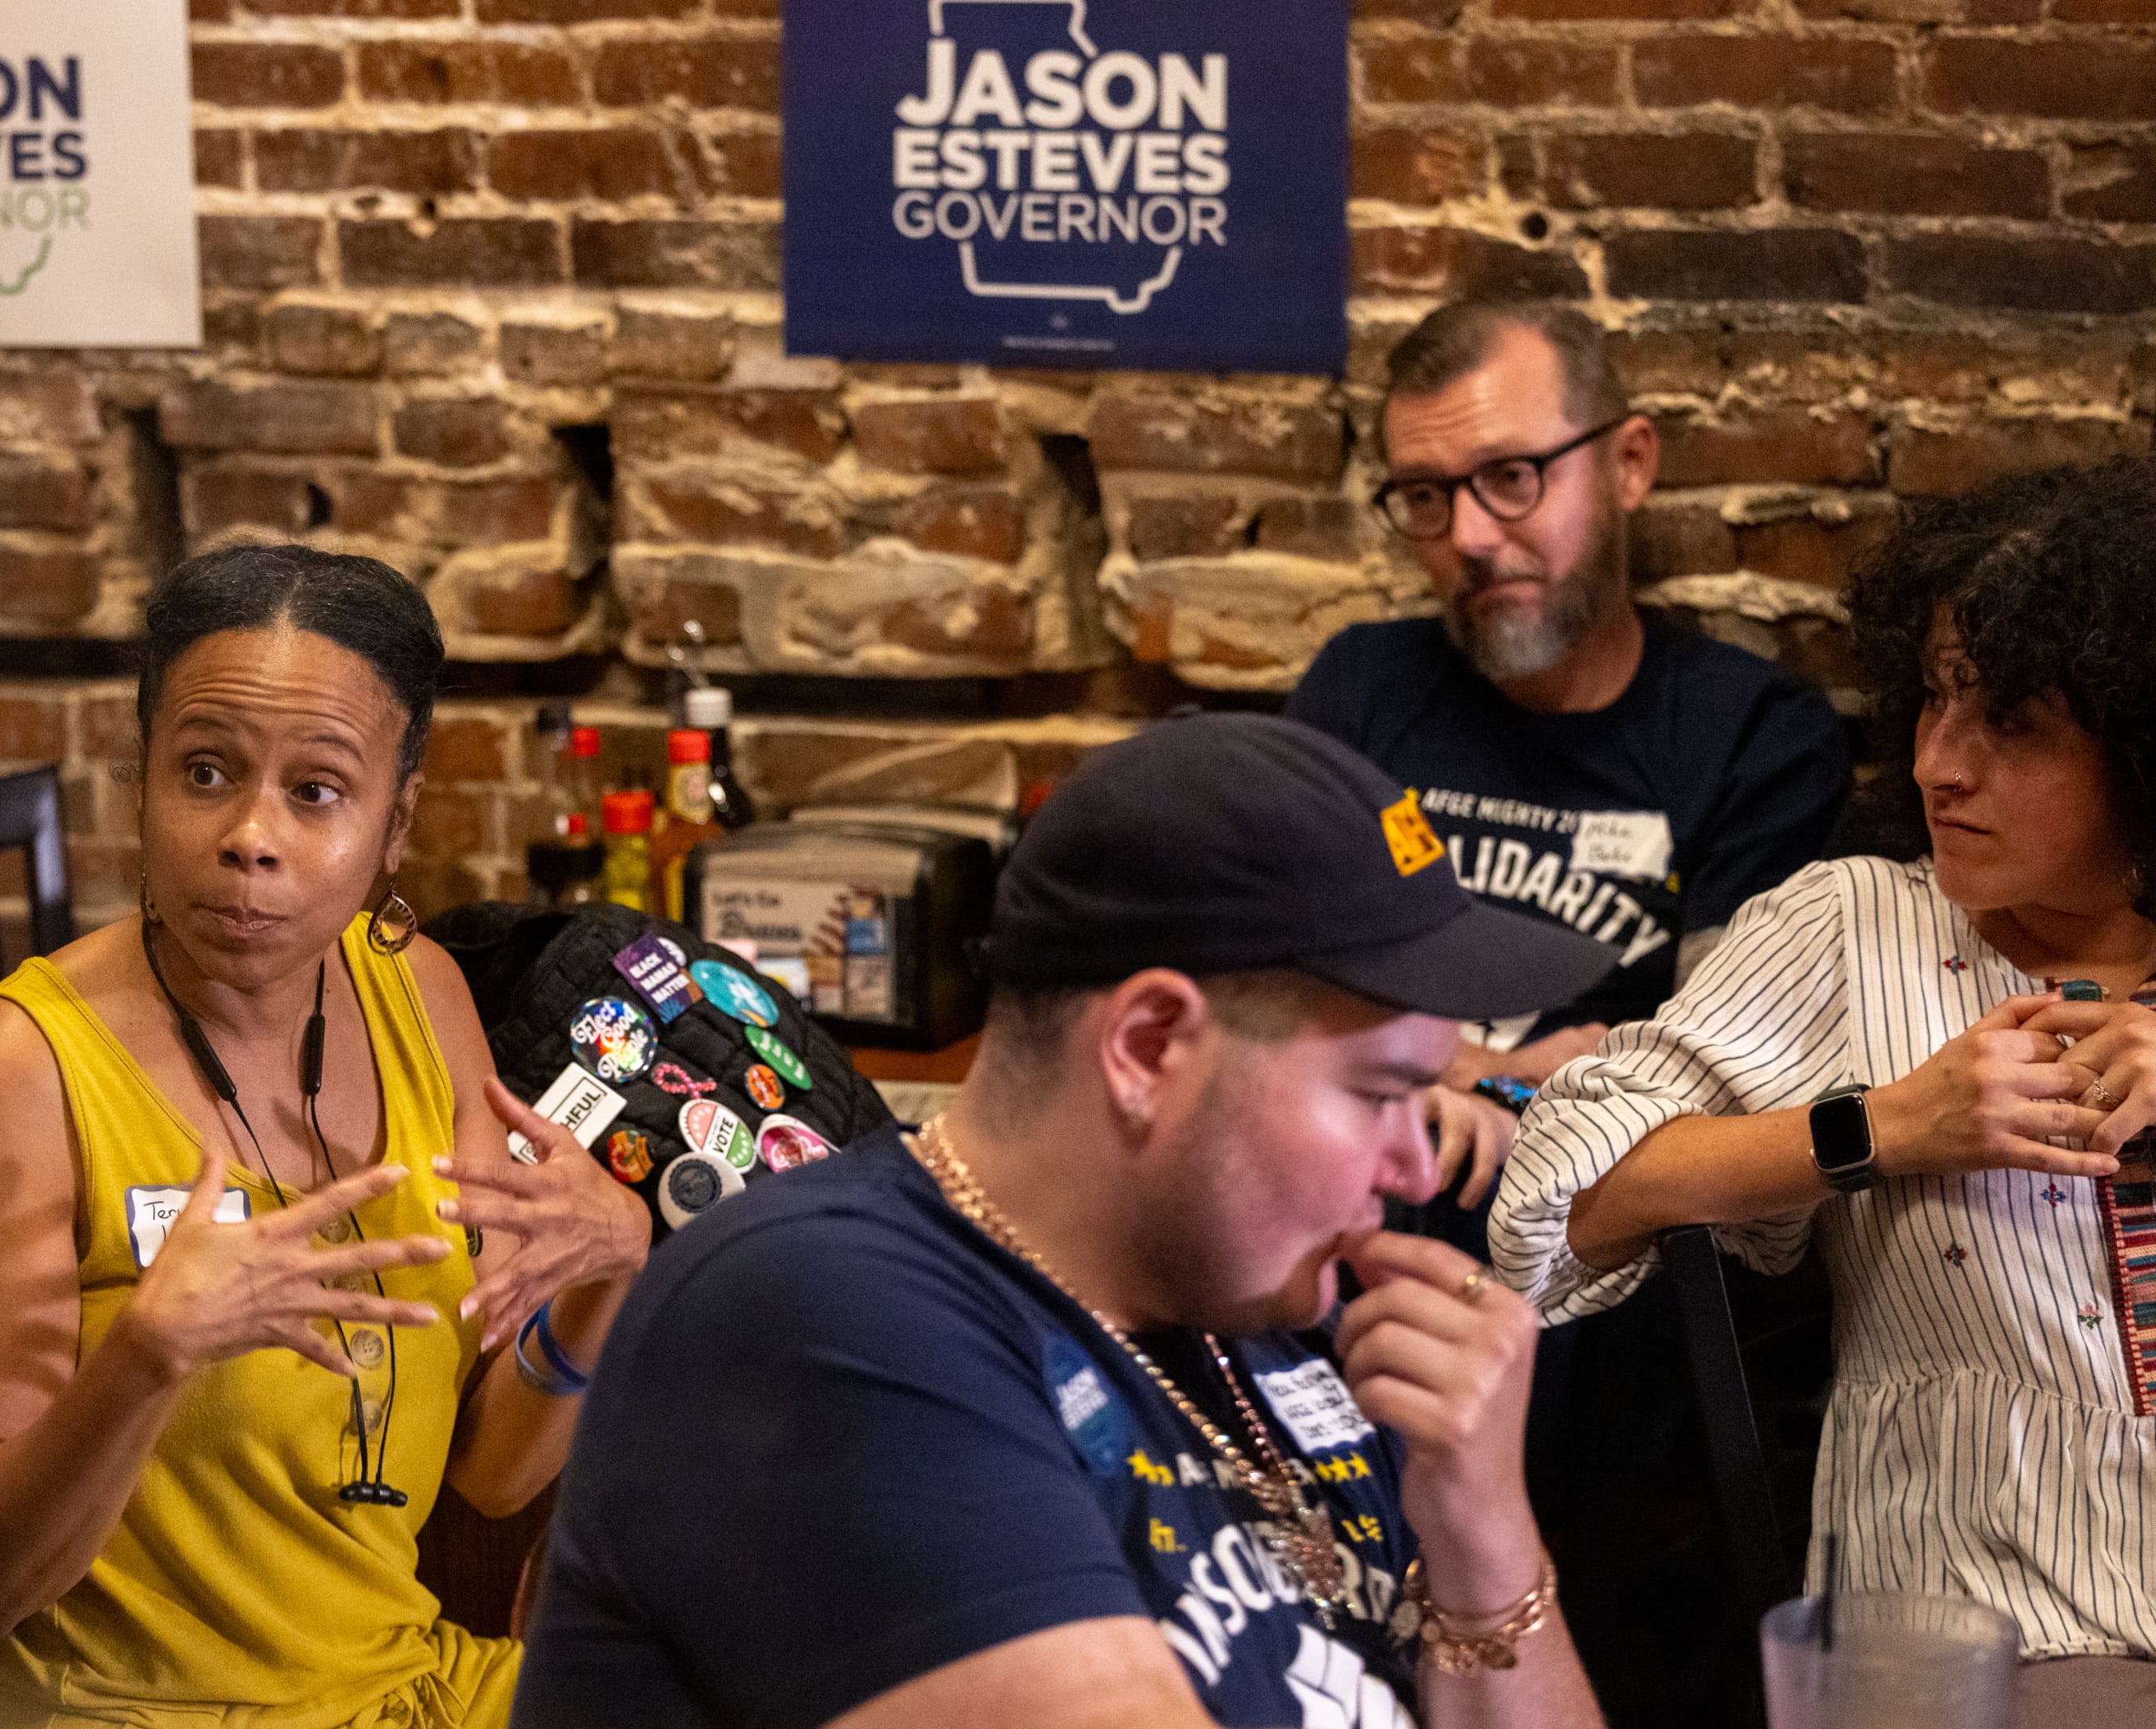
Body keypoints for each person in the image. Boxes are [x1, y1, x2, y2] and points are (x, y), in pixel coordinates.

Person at [516, 713, 1620, 1729]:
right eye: (1380, 1095)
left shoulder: (1274, 1299)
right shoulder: (817, 1312)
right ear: (1148, 1046)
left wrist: (1485, 1535)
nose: (1416, 1164)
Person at [0, 544, 650, 1729]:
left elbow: (495, 1475)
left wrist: (608, 1271)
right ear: (142, 784)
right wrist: (147, 1356)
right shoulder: (17, 1064)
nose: (251, 835)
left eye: (317, 791)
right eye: (205, 773)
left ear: (395, 826)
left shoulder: (424, 998)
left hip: (393, 1685)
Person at [1495, 457, 2156, 1723]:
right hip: (2006, 1634)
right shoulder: (1855, 931)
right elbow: (1548, 1204)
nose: (1937, 765)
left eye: (2011, 723)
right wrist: (1887, 1127)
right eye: (1934, 700)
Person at [1286, 299, 1847, 1220]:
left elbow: (1721, 1096)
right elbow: (1261, 991)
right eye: (1425, 495)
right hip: (1344, 1220)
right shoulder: (1362, 687)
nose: (1468, 537)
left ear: (1629, 464)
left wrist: (1464, 1082)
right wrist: (1474, 1069)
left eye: (1511, 477)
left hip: (1595, 1252)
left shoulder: (1753, 737)